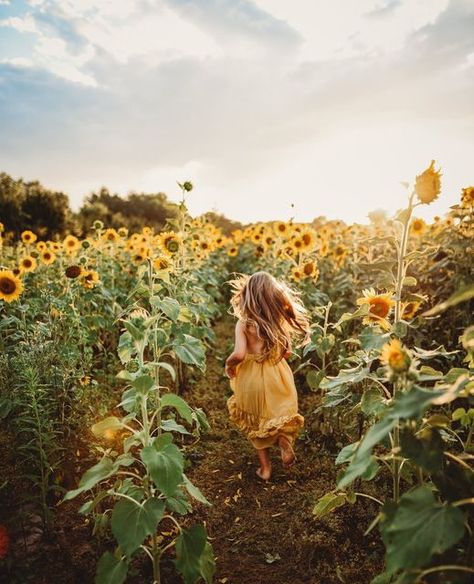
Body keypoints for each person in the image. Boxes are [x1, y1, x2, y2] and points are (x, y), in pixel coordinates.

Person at [225, 271, 310, 481]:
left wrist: (229, 364)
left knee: (256, 423)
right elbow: (287, 352)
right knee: (277, 416)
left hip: (251, 379)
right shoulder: (277, 321)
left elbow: (239, 354)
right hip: (277, 376)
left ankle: (265, 469)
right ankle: (283, 441)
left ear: (248, 295)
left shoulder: (244, 324)